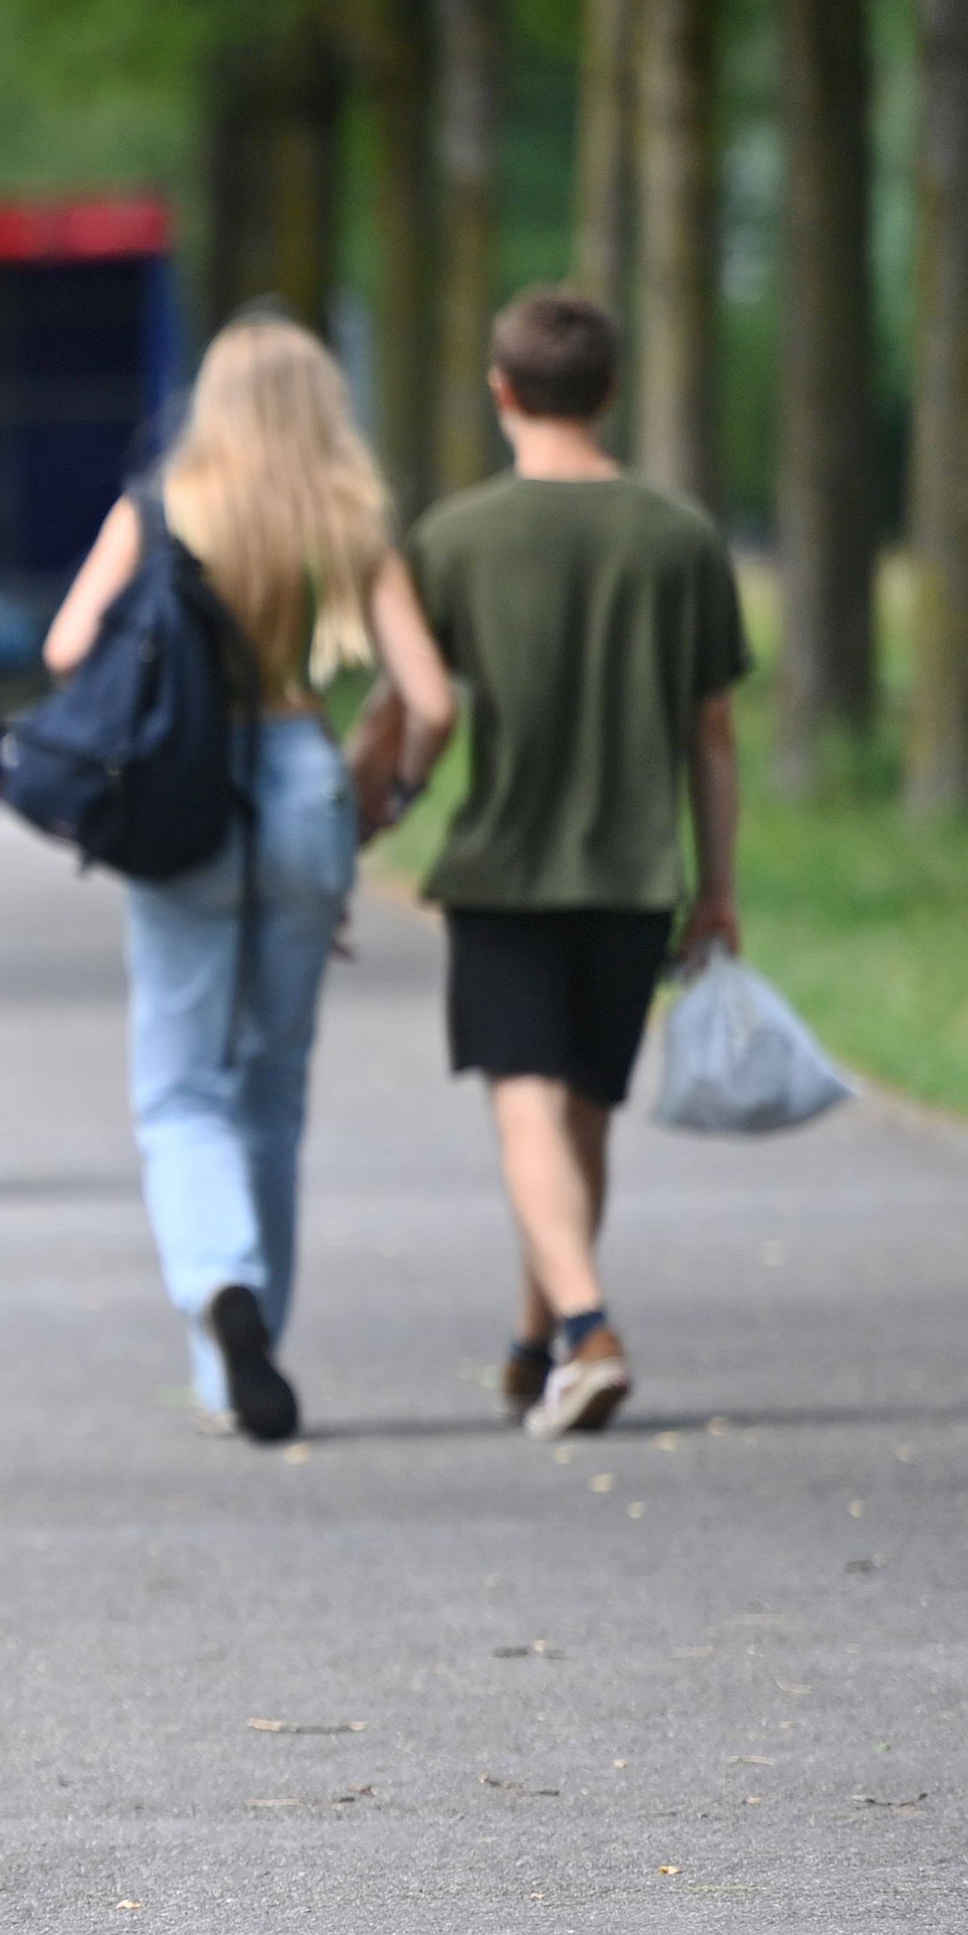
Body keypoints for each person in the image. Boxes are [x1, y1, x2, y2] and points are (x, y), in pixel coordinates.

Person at [45, 313, 453, 1443]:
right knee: (271, 1090)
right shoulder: (349, 520)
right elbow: (430, 700)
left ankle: (219, 1297)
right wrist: (393, 798)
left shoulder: (159, 507)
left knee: (181, 1091)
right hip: (304, 783)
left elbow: (65, 648)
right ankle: (251, 1337)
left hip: (182, 795)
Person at [386, 285, 745, 1440]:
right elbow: (713, 734)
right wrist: (719, 887)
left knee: (524, 1108)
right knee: (582, 1111)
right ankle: (533, 1342)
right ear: (612, 391)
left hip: (504, 865)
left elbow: (407, 704)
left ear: (500, 391)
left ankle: (585, 1326)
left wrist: (355, 817)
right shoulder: (681, 537)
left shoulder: (452, 538)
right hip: (634, 871)